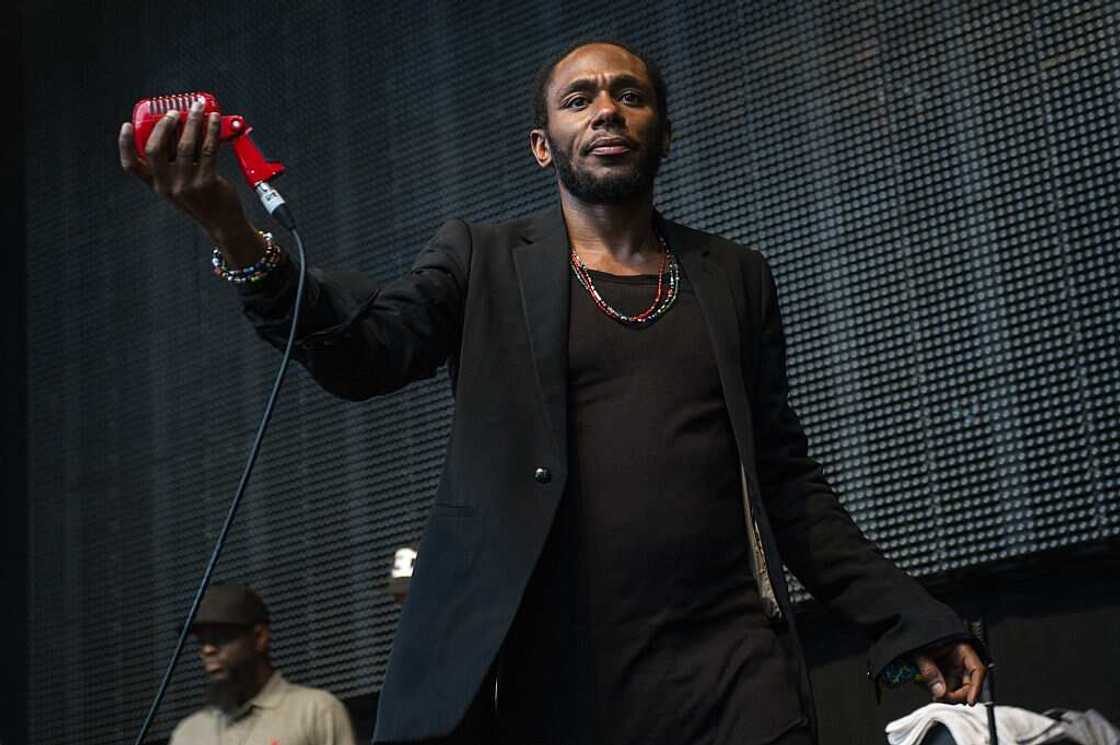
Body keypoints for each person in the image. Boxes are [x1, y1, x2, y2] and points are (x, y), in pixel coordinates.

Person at [121, 40, 988, 745]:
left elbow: (788, 484)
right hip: (554, 678)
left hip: (733, 673)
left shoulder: (735, 278)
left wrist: (907, 613)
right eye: (578, 99)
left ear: (662, 132)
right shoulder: (484, 259)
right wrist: (236, 231)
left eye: (627, 95)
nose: (605, 108)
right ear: (544, 144)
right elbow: (365, 353)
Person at [168, 583, 356, 745]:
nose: (208, 650)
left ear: (259, 637)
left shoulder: (315, 711)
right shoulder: (188, 734)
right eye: (201, 641)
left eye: (220, 637)